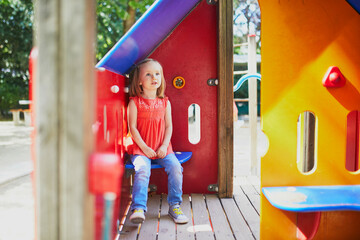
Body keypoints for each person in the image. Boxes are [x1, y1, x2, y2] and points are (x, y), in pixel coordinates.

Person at [127, 58, 189, 224]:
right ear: (139, 81)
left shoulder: (164, 102)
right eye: (148, 74)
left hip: (163, 148)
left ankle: (175, 205)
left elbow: (169, 127)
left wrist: (163, 146)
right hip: (141, 148)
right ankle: (138, 208)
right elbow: (132, 128)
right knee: (142, 169)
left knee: (176, 167)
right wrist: (145, 148)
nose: (154, 77)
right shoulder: (134, 103)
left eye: (157, 74)